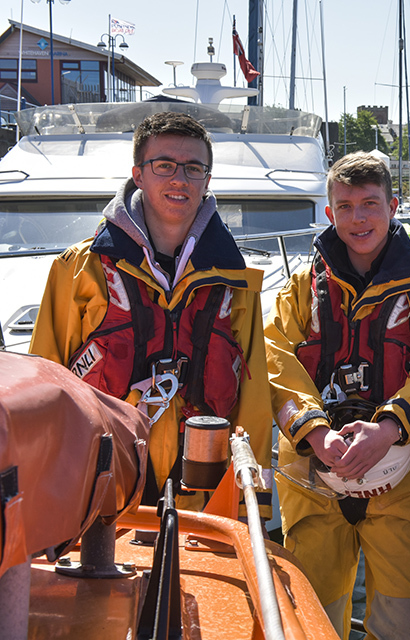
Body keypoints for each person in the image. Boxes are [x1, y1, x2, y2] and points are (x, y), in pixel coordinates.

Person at [30, 110, 272, 515]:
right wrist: (44, 498)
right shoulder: (80, 268)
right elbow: (46, 381)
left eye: (194, 168)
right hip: (102, 486)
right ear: (138, 175)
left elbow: (254, 398)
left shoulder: (235, 278)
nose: (180, 179)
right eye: (164, 165)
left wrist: (252, 508)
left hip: (203, 488)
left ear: (207, 180)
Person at [265, 152, 410, 640]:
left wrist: (389, 429)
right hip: (312, 477)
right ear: (329, 212)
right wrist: (316, 433)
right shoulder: (302, 288)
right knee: (308, 623)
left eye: (370, 204)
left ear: (393, 207)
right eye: (346, 206)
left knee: (408, 628)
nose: (359, 218)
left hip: (403, 484)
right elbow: (272, 357)